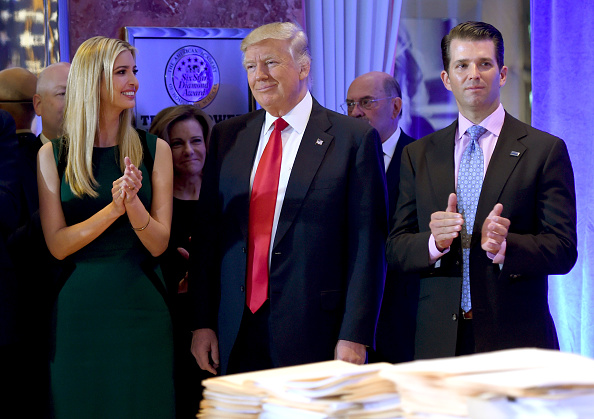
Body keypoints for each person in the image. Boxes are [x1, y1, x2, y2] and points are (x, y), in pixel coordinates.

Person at [189, 22, 387, 376]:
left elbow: (368, 246)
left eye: (271, 63)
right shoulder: (227, 137)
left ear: (303, 67)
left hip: (316, 332)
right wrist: (202, 322)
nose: (260, 75)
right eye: (251, 66)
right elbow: (209, 238)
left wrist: (355, 334)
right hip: (236, 327)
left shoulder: (352, 138)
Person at [386, 21, 577, 359]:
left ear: (502, 74)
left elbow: (563, 249)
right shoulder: (418, 154)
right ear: (447, 78)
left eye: (484, 64)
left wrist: (508, 245)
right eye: (462, 65)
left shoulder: (544, 150)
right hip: (438, 341)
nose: (473, 74)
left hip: (516, 339)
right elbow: (396, 248)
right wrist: (434, 242)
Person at [37, 36, 174, 418]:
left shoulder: (154, 150)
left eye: (134, 71)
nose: (133, 81)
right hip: (78, 314)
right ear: (92, 80)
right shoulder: (53, 155)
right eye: (121, 72)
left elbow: (159, 243)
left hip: (142, 309)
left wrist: (132, 206)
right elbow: (58, 246)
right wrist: (113, 210)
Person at [345, 71, 416, 364]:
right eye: (349, 104)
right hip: (348, 323)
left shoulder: (422, 159)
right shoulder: (339, 161)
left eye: (366, 102)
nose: (355, 112)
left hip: (403, 322)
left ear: (396, 107)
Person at [149, 104, 213, 418]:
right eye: (177, 143)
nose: (189, 150)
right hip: (166, 329)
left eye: (196, 141)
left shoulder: (226, 195)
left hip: (218, 325)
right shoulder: (148, 205)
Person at [34, 62, 71, 144]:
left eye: (80, 94)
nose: (75, 102)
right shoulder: (19, 156)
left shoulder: (98, 154)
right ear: (38, 104)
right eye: (63, 94)